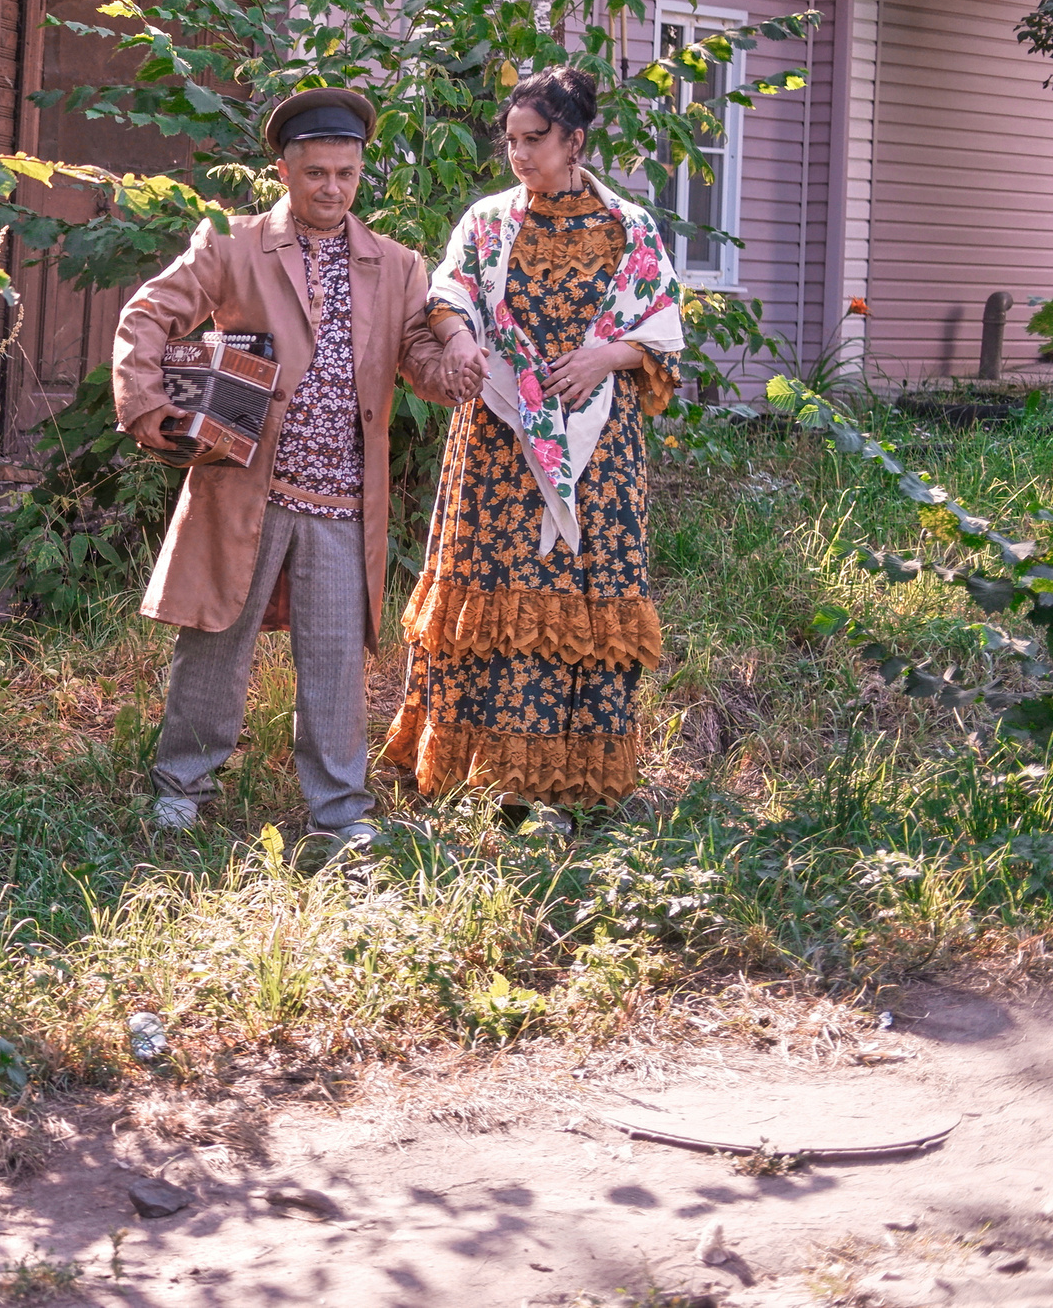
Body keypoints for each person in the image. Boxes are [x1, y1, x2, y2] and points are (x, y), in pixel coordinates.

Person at [114, 87, 475, 858]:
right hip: (246, 486)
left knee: (339, 656)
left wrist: (453, 372)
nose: (332, 188)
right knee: (214, 636)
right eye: (316, 172)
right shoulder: (234, 245)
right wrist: (148, 407)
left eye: (346, 172)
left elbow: (415, 354)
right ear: (283, 170)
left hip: (345, 498)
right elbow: (147, 314)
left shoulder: (397, 264)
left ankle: (340, 810)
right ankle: (182, 786)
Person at [382, 67, 683, 827]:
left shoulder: (629, 227)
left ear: (575, 140)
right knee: (494, 596)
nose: (518, 153)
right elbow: (448, 296)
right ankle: (481, 775)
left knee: (575, 598)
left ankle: (570, 785)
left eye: (535, 139)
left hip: (598, 446)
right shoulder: (488, 222)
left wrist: (602, 358)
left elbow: (663, 328)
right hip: (499, 436)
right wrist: (459, 346)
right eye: (511, 139)